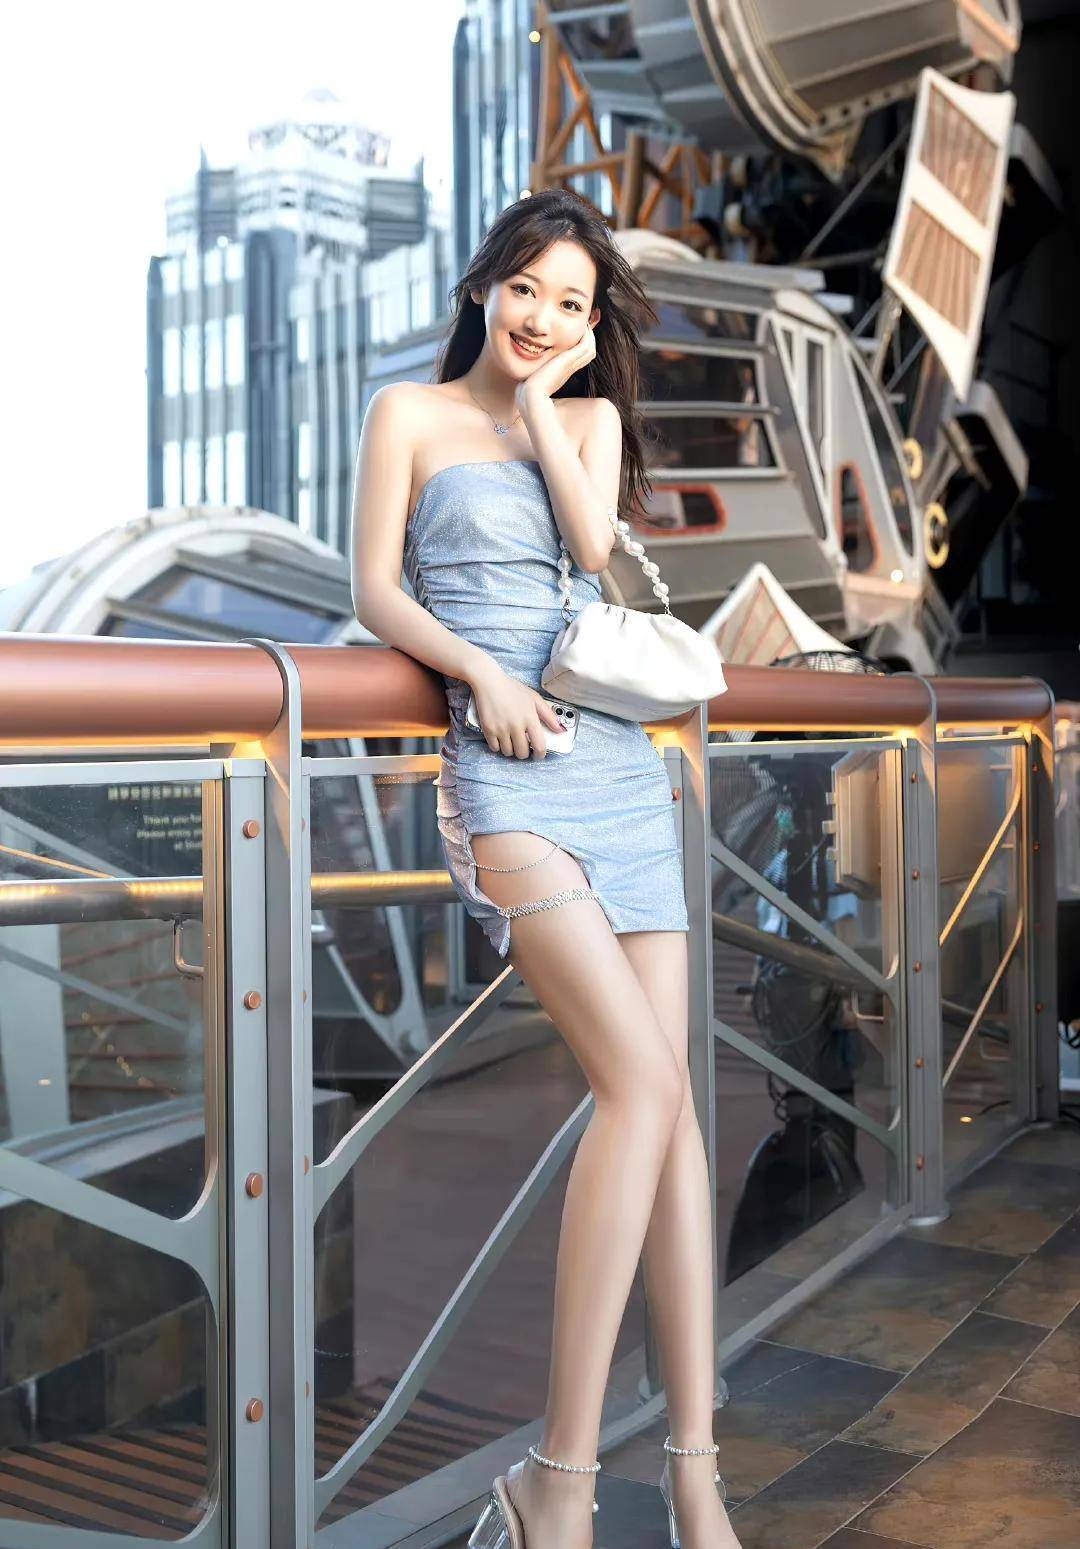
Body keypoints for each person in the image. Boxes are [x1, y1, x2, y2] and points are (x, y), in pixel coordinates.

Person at [350, 188, 741, 1549]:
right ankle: (557, 1481)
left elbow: (587, 552)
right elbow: (375, 593)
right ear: (485, 285)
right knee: (639, 1086)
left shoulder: (587, 419)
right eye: (528, 288)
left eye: (572, 302)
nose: (543, 315)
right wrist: (474, 675)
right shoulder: (406, 413)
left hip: (620, 770)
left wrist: (539, 403)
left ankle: (694, 1474)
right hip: (503, 771)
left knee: (673, 1114)